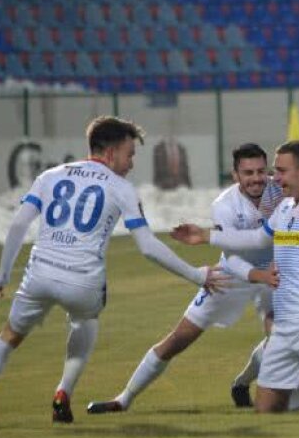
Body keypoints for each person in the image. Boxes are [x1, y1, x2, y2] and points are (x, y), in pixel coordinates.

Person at [0, 116, 227, 426]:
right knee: (86, 321)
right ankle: (63, 392)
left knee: (9, 335)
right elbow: (148, 247)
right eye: (129, 154)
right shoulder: (121, 187)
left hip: (39, 274)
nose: (132, 163)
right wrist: (196, 275)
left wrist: (2, 274)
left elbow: (18, 224)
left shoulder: (49, 176)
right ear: (110, 153)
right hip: (82, 282)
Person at [86, 143, 282, 416]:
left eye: (261, 171)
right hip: (232, 274)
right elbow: (233, 257)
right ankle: (124, 398)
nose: (256, 178)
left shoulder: (282, 191)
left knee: (281, 337)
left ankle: (242, 383)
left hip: (277, 272)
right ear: (235, 174)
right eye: (248, 172)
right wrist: (259, 275)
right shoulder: (224, 205)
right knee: (179, 338)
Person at [172, 141, 299, 414]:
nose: (275, 179)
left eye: (281, 171)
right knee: (266, 409)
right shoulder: (285, 208)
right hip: (284, 324)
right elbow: (255, 238)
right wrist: (205, 235)